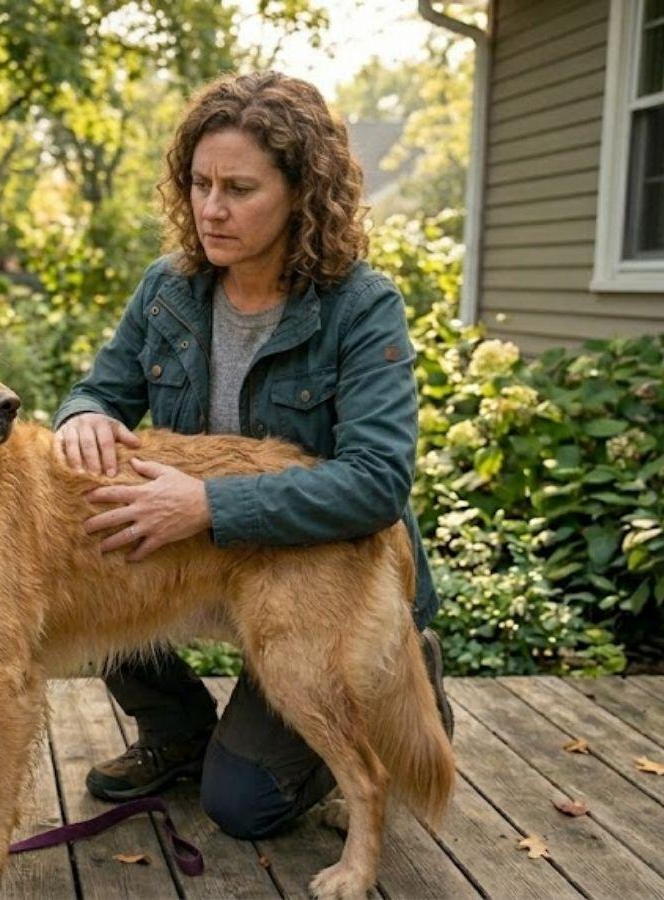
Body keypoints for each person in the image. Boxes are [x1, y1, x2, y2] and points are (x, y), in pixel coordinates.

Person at [51, 70, 453, 841]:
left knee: (243, 806)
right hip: (199, 559)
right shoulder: (168, 289)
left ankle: (394, 682)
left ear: (302, 194)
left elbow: (377, 484)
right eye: (200, 183)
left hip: (313, 574)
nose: (211, 208)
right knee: (79, 551)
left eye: (239, 189)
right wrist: (84, 415)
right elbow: (101, 388)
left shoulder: (361, 307)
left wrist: (208, 504)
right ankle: (178, 733)